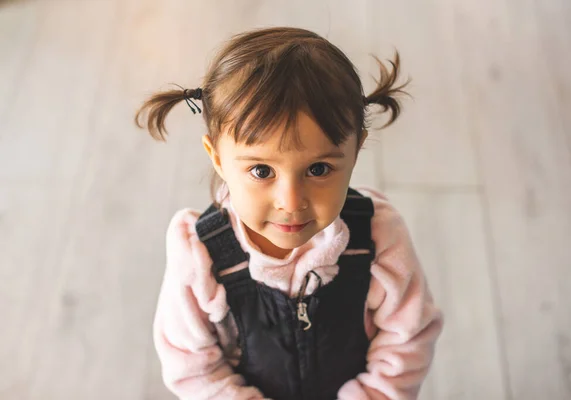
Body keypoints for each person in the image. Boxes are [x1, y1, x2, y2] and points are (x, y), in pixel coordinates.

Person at [135, 26, 443, 400]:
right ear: (218, 157)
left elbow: (407, 339)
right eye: (262, 171)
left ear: (356, 150)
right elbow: (190, 364)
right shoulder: (200, 255)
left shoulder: (378, 237)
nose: (291, 201)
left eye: (318, 170)